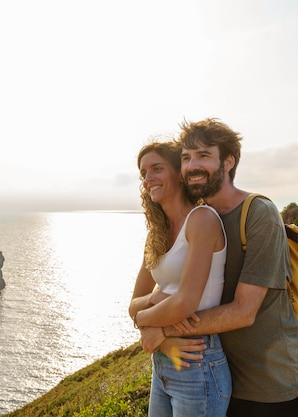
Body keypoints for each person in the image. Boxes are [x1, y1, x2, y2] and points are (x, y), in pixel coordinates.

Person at [139, 119, 298, 417]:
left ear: (228, 161)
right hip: (221, 374)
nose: (192, 165)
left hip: (271, 386)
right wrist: (157, 328)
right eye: (185, 158)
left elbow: (244, 311)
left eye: (203, 156)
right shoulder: (198, 218)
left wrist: (161, 329)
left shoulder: (258, 213)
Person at [130, 140, 232, 417]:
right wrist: (154, 303)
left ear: (178, 172)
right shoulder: (157, 234)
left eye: (157, 168)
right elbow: (133, 304)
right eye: (143, 174)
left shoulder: (202, 220)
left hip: (198, 360)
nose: (148, 179)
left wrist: (144, 322)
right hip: (164, 359)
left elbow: (186, 303)